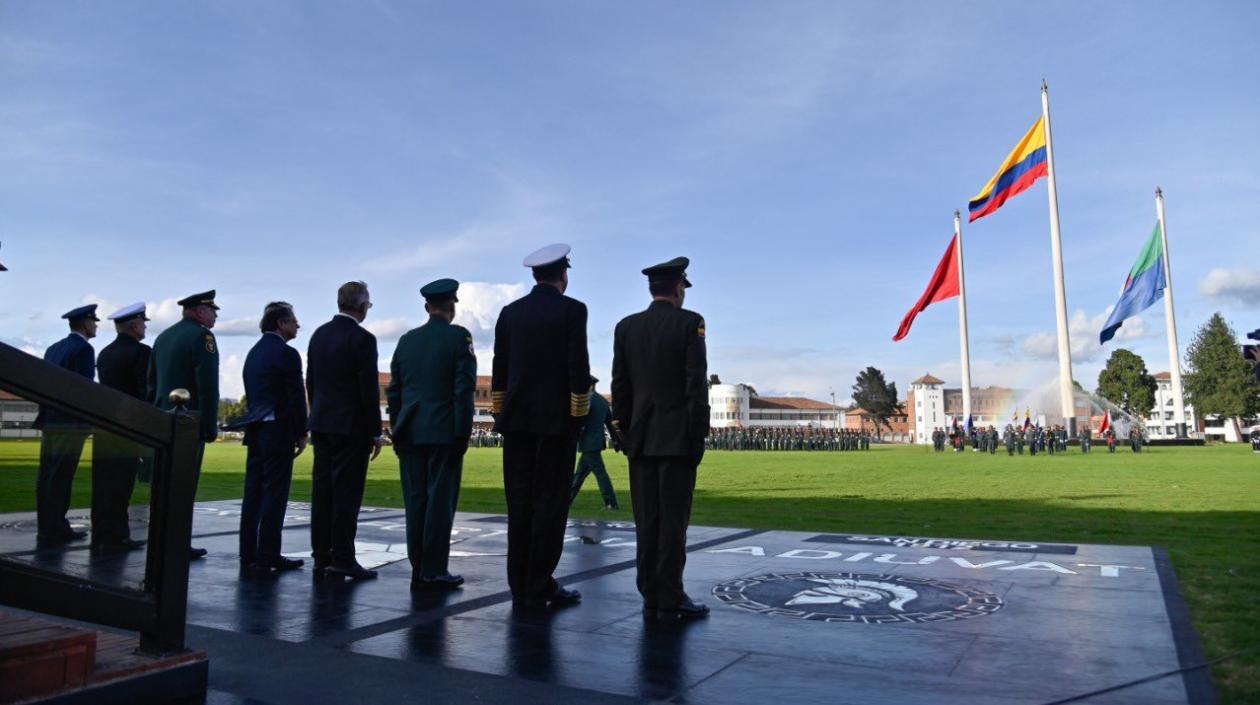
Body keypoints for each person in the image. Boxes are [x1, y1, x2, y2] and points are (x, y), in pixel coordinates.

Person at [492, 244, 590, 610]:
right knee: (550, 505)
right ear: (563, 274)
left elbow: (500, 369)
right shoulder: (573, 310)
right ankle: (540, 581)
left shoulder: (510, 313)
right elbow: (578, 368)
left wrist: (501, 414)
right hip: (556, 424)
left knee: (519, 504)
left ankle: (518, 582)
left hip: (516, 423)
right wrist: (578, 416)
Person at [612, 256, 711, 619]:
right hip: (676, 438)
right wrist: (698, 433)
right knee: (672, 520)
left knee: (646, 519)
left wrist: (623, 430)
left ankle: (650, 590)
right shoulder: (690, 323)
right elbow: (695, 384)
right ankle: (670, 593)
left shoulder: (626, 327)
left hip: (639, 438)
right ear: (678, 288)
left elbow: (620, 386)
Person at [387, 279, 475, 591]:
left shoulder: (406, 340)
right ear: (452, 306)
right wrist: (462, 432)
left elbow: (394, 391)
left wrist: (397, 427)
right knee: (440, 502)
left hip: (409, 431)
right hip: (443, 432)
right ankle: (434, 568)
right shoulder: (459, 337)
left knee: (415, 502)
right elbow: (463, 390)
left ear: (427, 307)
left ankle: (418, 566)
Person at [306, 281, 384, 580]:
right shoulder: (363, 339)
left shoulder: (319, 335)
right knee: (346, 496)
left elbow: (311, 381)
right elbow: (368, 390)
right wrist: (376, 431)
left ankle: (321, 555)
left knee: (322, 493)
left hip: (322, 423)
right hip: (351, 428)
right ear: (362, 306)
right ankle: (342, 558)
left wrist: (316, 414)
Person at [232, 302, 307, 574]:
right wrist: (302, 431)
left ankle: (248, 552)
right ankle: (268, 553)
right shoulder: (287, 353)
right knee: (275, 493)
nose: (298, 325)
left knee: (253, 493)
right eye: (293, 320)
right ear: (281, 324)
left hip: (256, 430)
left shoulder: (254, 353)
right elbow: (296, 395)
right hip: (278, 432)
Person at [149, 290, 220, 559]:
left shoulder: (163, 337)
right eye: (212, 310)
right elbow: (208, 386)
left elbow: (152, 383)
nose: (215, 316)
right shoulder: (202, 337)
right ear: (199, 311)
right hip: (189, 424)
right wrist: (209, 426)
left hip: (161, 421)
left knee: (163, 486)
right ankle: (178, 543)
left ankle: (160, 539)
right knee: (183, 487)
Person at [33, 304, 98, 544]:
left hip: (50, 421)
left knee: (47, 475)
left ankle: (46, 525)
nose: (96, 326)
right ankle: (57, 528)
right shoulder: (84, 350)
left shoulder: (53, 349)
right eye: (93, 321)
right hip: (70, 423)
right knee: (61, 476)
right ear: (85, 324)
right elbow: (84, 390)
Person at [91, 303, 151, 552]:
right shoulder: (141, 352)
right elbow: (144, 393)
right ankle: (117, 536)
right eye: (143, 323)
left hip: (106, 426)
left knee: (102, 484)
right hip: (128, 427)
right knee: (121, 485)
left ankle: (101, 534)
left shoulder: (105, 353)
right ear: (134, 326)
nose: (145, 327)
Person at [570, 376, 621, 510]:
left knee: (600, 474)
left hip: (588, 443)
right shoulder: (603, 402)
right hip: (596, 442)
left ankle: (611, 502)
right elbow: (610, 425)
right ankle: (567, 499)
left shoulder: (586, 401)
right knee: (580, 474)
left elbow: (581, 423)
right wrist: (616, 441)